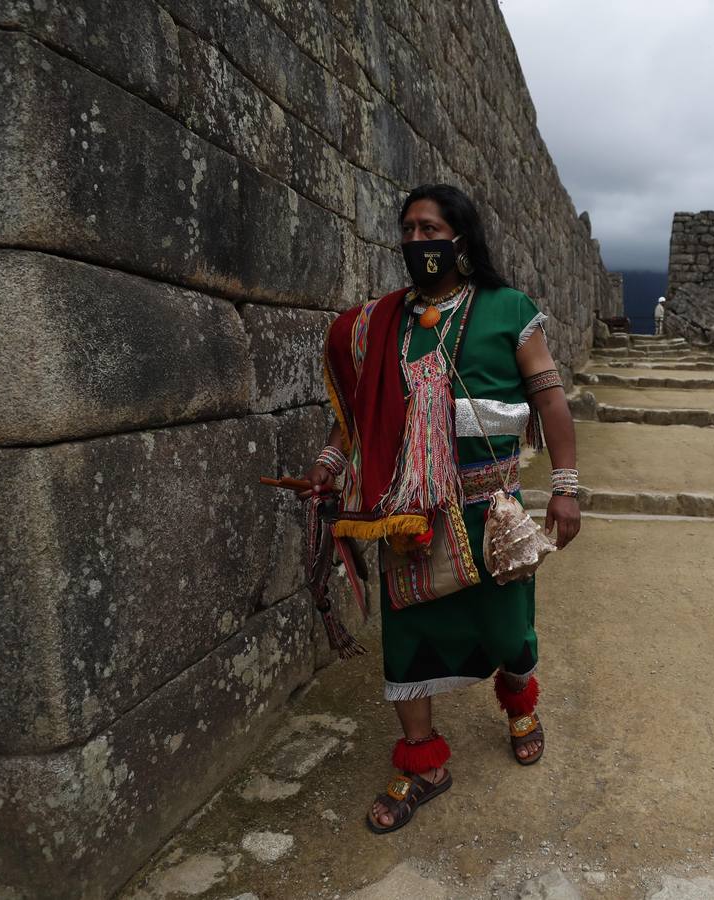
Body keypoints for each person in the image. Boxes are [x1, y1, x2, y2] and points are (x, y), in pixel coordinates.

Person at [304, 184, 581, 834]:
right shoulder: (382, 324)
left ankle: (518, 702)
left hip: (491, 510)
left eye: (430, 228)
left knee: (508, 631)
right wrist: (331, 463)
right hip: (408, 514)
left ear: (460, 238)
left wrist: (565, 484)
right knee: (410, 642)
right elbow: (364, 413)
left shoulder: (509, 309)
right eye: (407, 230)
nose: (416, 242)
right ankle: (424, 763)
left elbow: (551, 403)